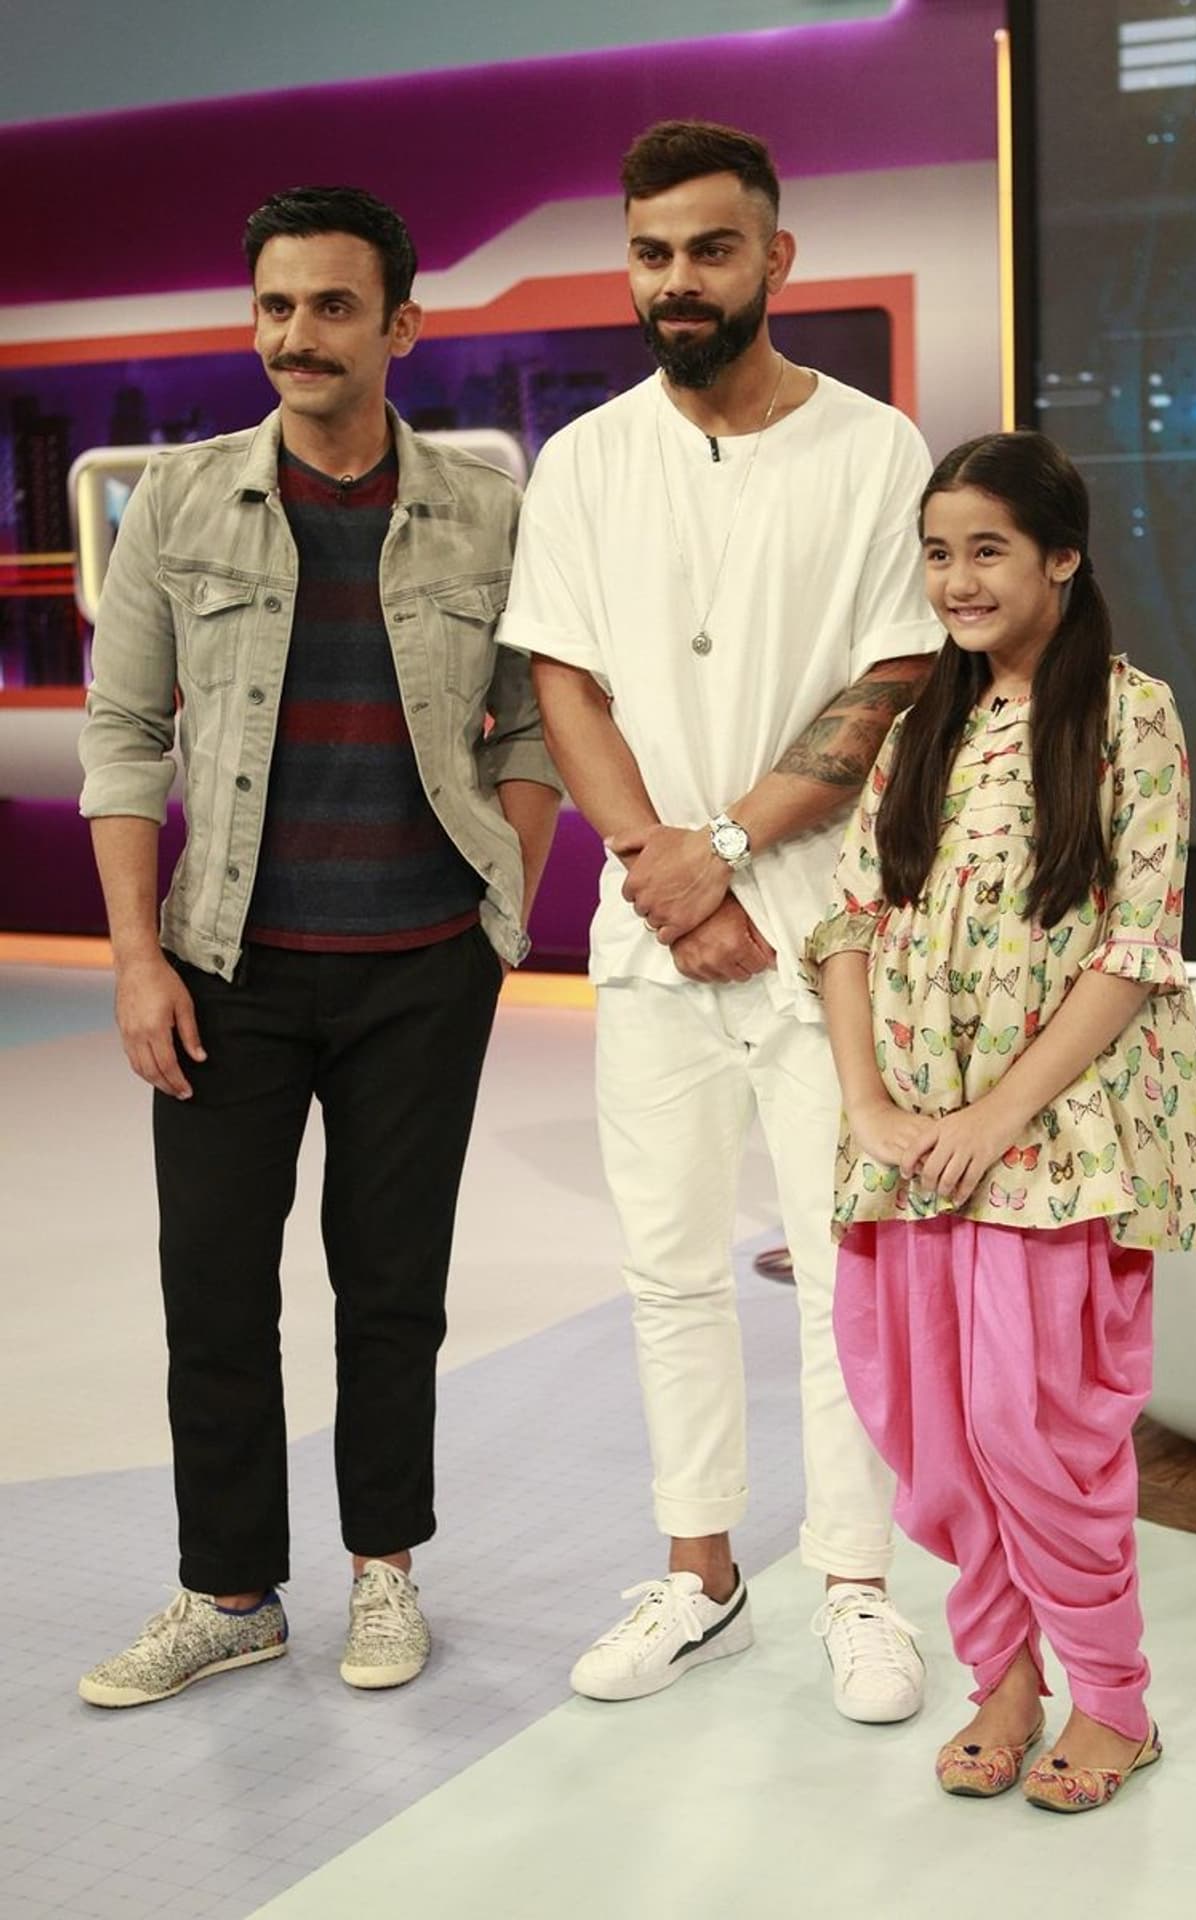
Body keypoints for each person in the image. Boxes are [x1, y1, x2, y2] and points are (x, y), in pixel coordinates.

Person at [76, 186, 561, 1707]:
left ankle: (383, 1572)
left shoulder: (486, 512)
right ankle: (230, 1593)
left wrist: (501, 913)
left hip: (423, 965)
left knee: (392, 1289)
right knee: (214, 1293)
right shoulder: (180, 502)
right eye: (276, 306)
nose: (297, 335)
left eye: (333, 306)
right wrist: (137, 957)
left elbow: (532, 725)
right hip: (224, 966)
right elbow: (124, 730)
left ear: (401, 324)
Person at [500, 120, 942, 1719]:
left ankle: (858, 1585)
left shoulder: (876, 448)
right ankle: (700, 1574)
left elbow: (895, 674)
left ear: (775, 258)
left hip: (831, 934)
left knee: (844, 1271)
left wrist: (730, 849)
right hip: (651, 935)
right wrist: (662, 870)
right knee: (670, 1265)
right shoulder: (584, 459)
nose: (676, 279)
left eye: (708, 248)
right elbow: (563, 678)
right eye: (651, 252)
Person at [808, 429, 1196, 1810]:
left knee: (1031, 1422)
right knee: (933, 1423)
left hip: (1052, 1139)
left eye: (989, 550)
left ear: (1062, 557)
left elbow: (1135, 947)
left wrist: (996, 1115)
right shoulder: (922, 723)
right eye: (939, 554)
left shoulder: (1130, 714)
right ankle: (1003, 1678)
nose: (959, 581)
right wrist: (871, 1105)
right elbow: (849, 923)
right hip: (913, 1145)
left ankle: (1112, 1702)